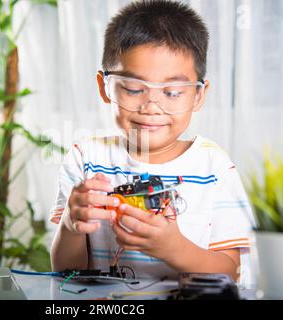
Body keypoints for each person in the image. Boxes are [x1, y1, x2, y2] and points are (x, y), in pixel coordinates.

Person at [49, 0, 254, 285]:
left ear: (198, 95)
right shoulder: (86, 159)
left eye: (172, 92)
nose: (152, 107)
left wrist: (174, 248)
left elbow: (230, 271)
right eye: (134, 89)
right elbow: (66, 273)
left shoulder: (214, 167)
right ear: (104, 87)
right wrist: (71, 226)